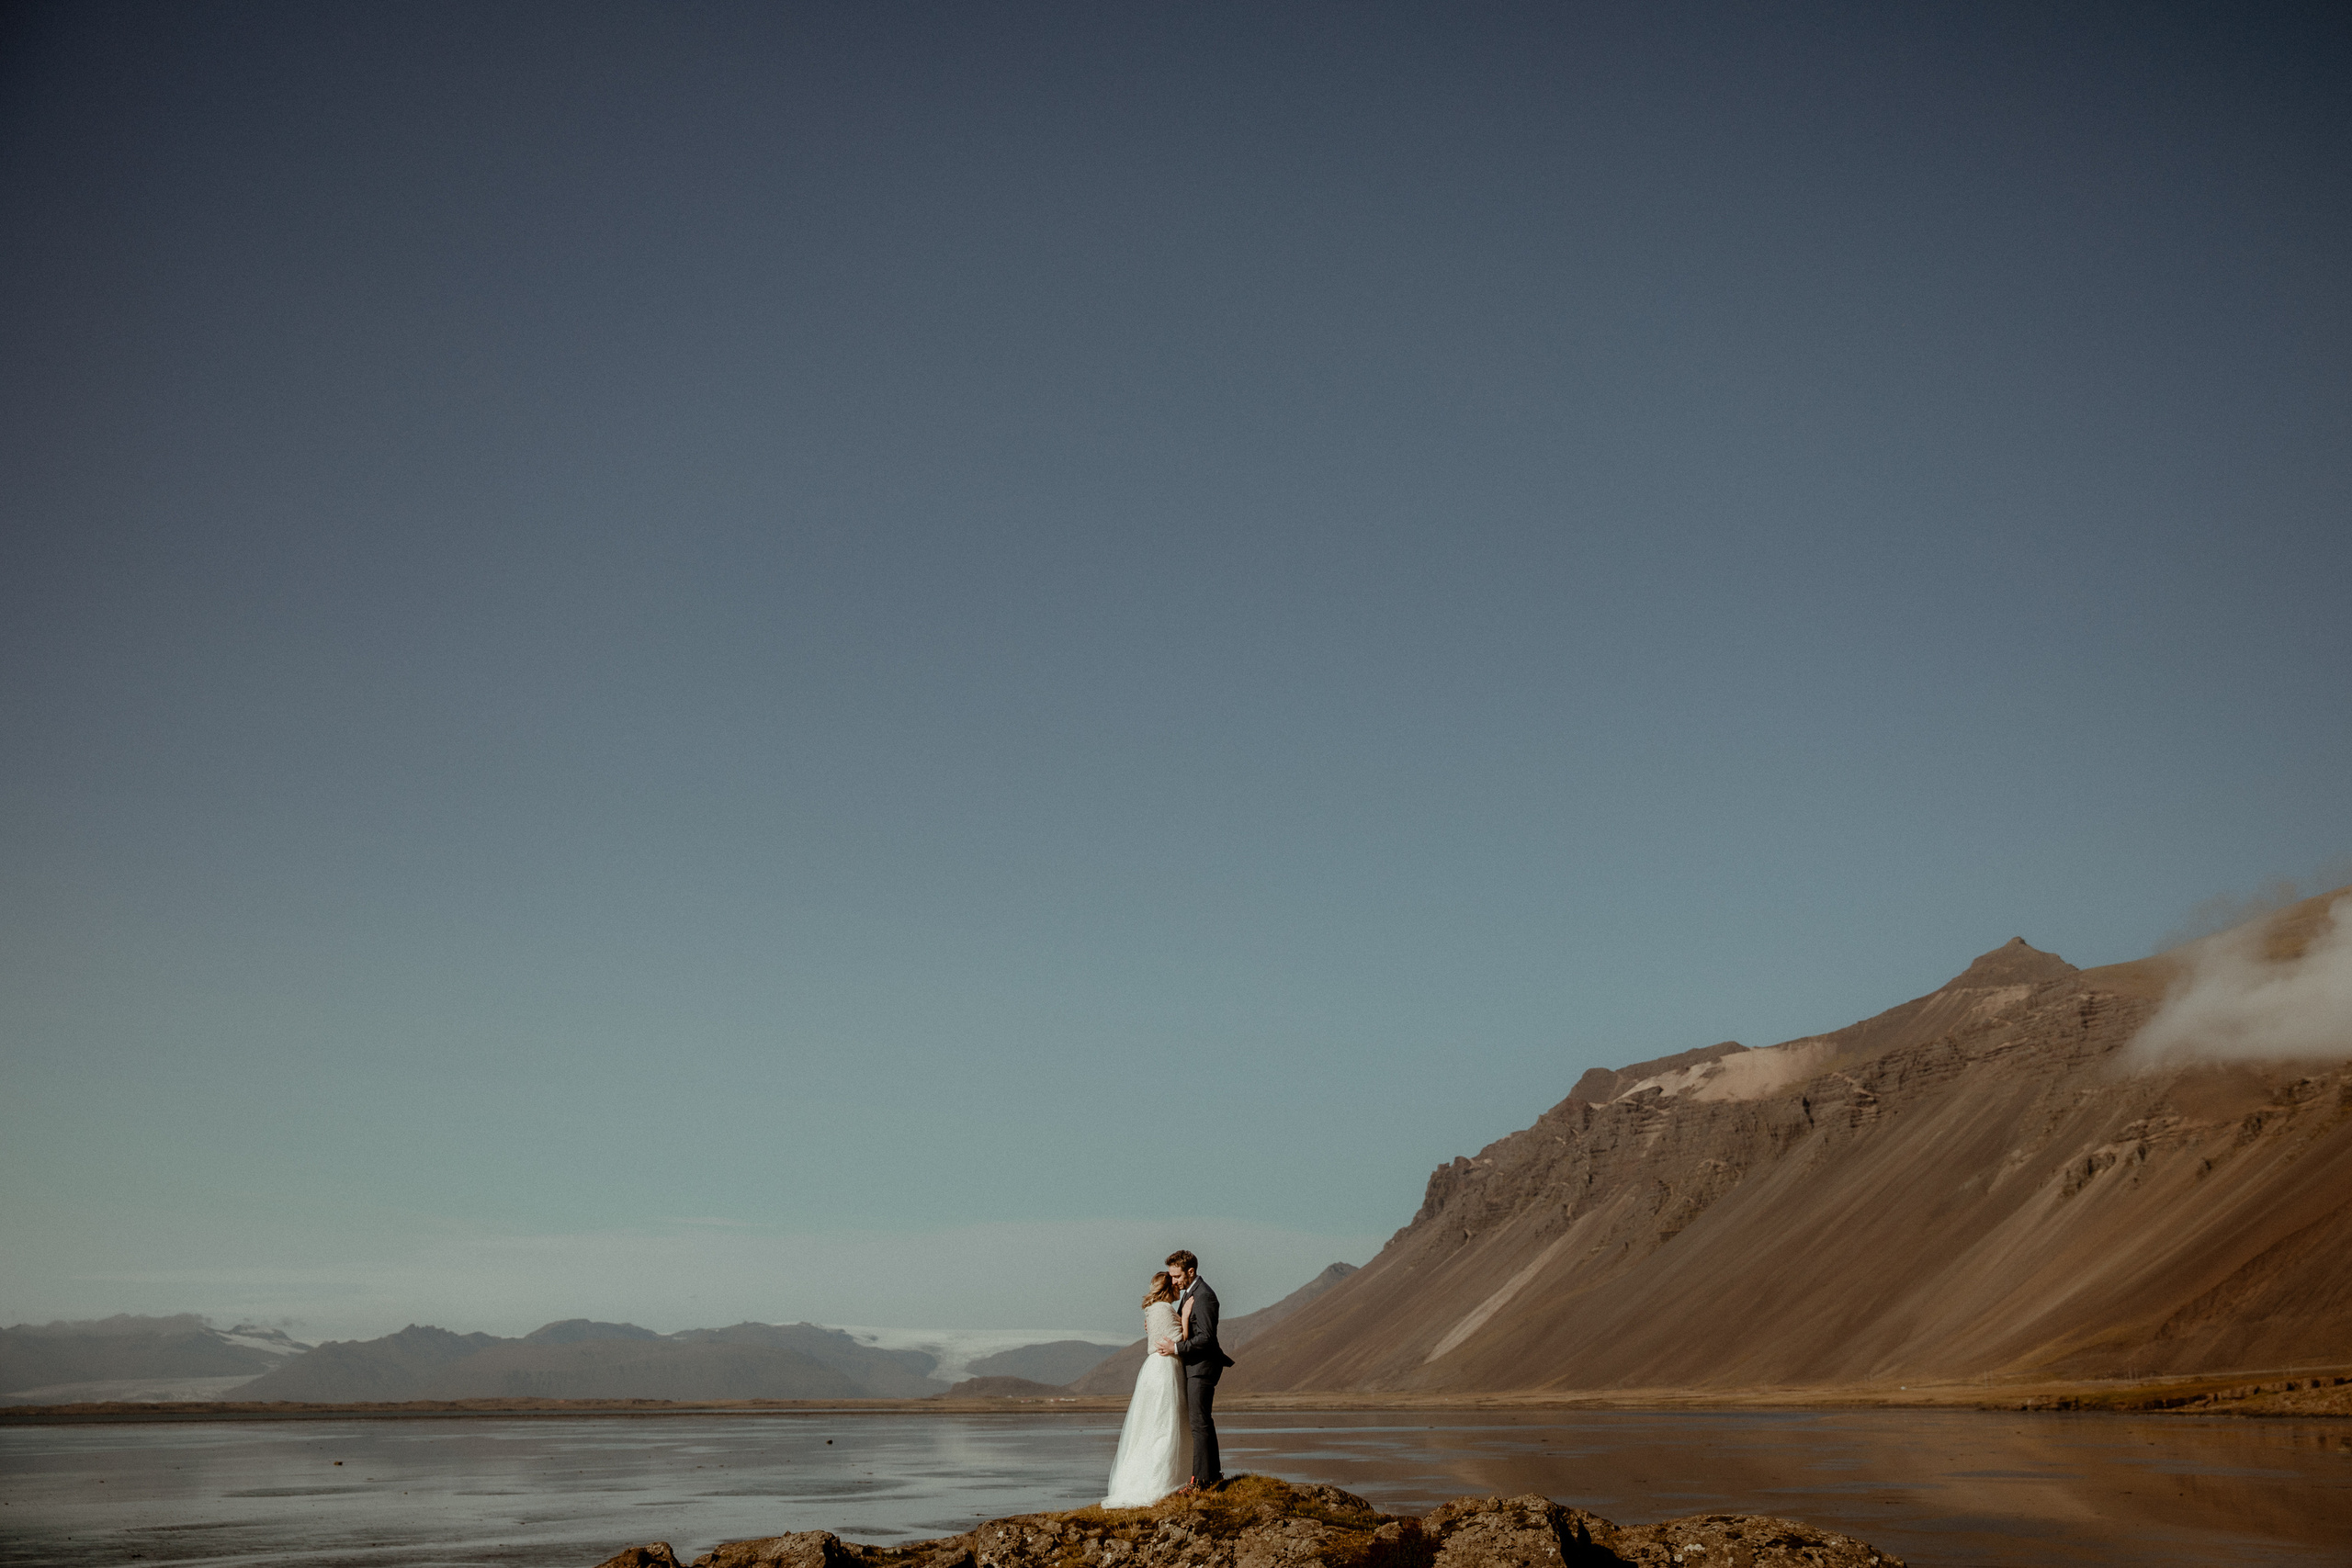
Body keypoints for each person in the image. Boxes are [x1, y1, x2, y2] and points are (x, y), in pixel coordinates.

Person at [1099, 1269, 1192, 1506]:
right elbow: (1178, 1340)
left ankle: (1145, 1480)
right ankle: (1161, 1482)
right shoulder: (1164, 1309)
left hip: (1152, 1369)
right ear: (1167, 1288)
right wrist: (1186, 1317)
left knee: (1149, 1425)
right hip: (1164, 1369)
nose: (1178, 1288)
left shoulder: (1152, 1310)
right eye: (1174, 1285)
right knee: (1165, 1424)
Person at [1164, 1248, 1235, 1491]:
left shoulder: (1204, 1296)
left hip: (1203, 1367)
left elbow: (1205, 1338)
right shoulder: (1190, 1293)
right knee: (1201, 1422)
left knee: (1199, 1423)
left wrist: (1175, 1348)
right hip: (1195, 1367)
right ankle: (1211, 1476)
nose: (1173, 1281)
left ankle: (1201, 1482)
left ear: (1190, 1271)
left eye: (1176, 1276)